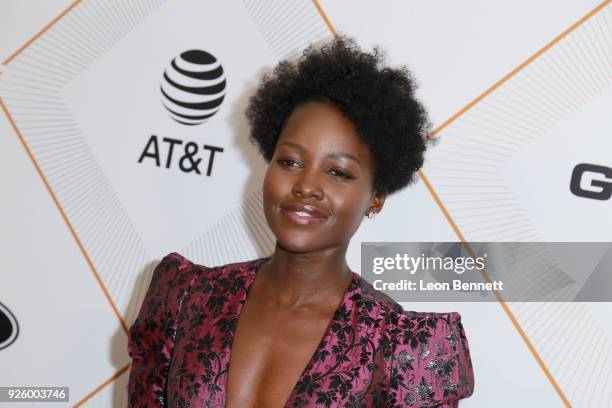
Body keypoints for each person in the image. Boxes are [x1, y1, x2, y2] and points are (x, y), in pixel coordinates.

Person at [127, 36, 474, 407]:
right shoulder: (186, 298)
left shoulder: (402, 349)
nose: (306, 186)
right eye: (290, 162)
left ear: (376, 197)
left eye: (338, 172)